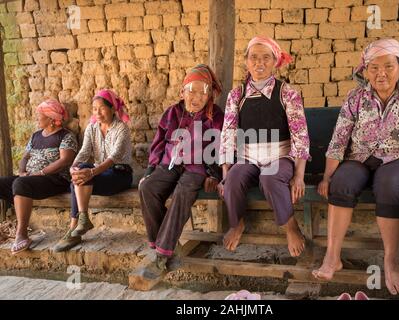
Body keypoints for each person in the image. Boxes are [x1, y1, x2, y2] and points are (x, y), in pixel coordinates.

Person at [312, 39, 399, 296]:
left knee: (389, 186)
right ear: (365, 70)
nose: (381, 73)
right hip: (359, 157)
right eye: (374, 67)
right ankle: (333, 256)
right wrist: (327, 176)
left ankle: (391, 261)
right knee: (341, 183)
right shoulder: (356, 96)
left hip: (397, 160)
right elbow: (339, 138)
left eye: (389, 66)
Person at [219, 36, 310, 257]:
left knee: (269, 177)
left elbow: (300, 135)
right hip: (248, 157)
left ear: (275, 61)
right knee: (232, 180)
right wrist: (225, 172)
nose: (259, 63)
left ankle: (290, 227)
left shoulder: (287, 93)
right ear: (246, 61)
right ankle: (237, 223)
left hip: (280, 157)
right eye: (254, 58)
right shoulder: (237, 95)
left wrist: (299, 175)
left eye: (266, 58)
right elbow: (228, 134)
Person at [139, 64, 224, 271]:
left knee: (183, 191)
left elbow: (220, 147)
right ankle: (165, 243)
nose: (197, 97)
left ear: (209, 95)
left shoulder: (215, 115)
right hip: (169, 163)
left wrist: (215, 174)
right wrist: (150, 171)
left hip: (197, 168)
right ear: (182, 92)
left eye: (203, 92)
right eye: (192, 91)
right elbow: (159, 142)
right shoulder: (172, 113)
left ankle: (161, 254)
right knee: (146, 188)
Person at [53, 89, 133, 252]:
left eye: (102, 108)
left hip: (120, 175)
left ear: (112, 109)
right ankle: (80, 221)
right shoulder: (92, 128)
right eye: (94, 109)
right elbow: (84, 151)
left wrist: (91, 172)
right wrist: (73, 167)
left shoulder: (121, 129)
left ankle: (74, 230)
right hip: (100, 174)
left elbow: (114, 157)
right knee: (78, 175)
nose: (97, 112)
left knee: (80, 178)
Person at [0, 99, 77, 254]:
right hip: (30, 179)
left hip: (55, 179)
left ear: (50, 119)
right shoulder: (35, 136)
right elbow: (25, 158)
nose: (37, 118)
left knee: (21, 185)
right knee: (4, 182)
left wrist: (41, 172)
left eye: (39, 116)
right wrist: (22, 172)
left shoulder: (66, 136)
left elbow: (65, 161)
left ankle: (21, 234)